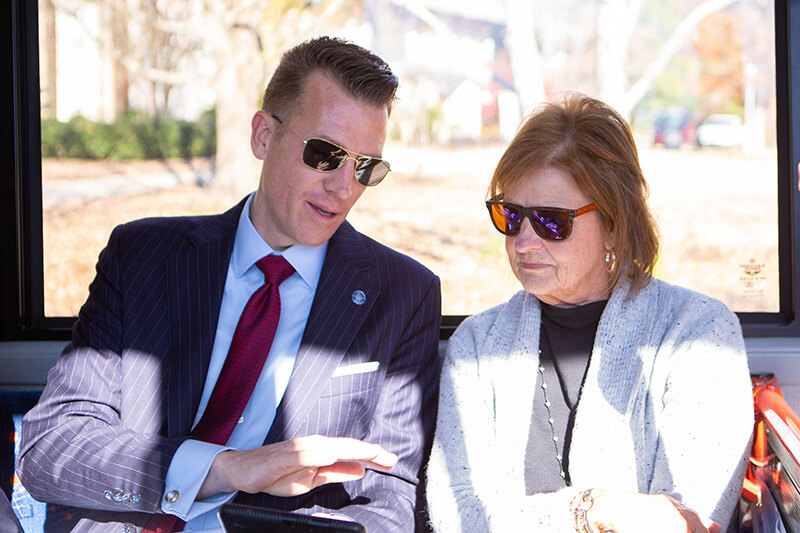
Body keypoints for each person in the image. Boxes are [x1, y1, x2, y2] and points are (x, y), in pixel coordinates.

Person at [18, 36, 441, 533]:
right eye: (326, 155)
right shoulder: (142, 256)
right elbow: (51, 447)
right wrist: (222, 468)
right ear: (263, 136)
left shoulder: (403, 293)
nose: (344, 187)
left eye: (366, 167)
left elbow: (387, 500)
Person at [425, 93, 753, 533]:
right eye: (510, 216)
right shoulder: (478, 345)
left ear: (615, 224)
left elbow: (685, 521)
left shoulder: (700, 334)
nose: (523, 242)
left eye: (552, 221)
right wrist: (588, 509)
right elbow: (454, 515)